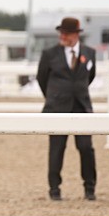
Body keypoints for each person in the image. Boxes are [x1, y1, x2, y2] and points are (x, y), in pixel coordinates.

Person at [36, 16, 97, 201]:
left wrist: (77, 92)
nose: (62, 36)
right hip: (57, 108)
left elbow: (90, 76)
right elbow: (41, 78)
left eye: (66, 33)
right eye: (61, 33)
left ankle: (90, 187)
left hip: (81, 107)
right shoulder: (49, 54)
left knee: (86, 148)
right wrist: (54, 97)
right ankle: (54, 188)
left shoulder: (89, 53)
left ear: (76, 34)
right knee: (56, 149)